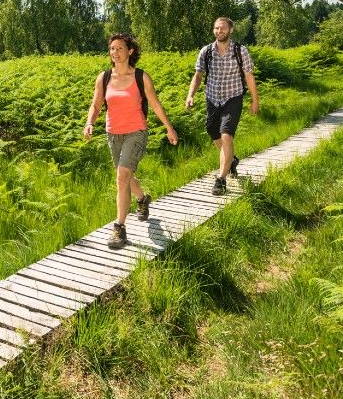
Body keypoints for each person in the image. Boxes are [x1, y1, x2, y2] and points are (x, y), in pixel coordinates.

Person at [84, 33, 178, 249]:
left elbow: (155, 104)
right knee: (124, 176)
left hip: (136, 132)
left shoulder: (141, 77)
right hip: (112, 133)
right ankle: (143, 199)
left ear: (130, 51)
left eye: (119, 48)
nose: (115, 53)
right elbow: (96, 105)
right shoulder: (104, 78)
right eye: (112, 49)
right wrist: (90, 122)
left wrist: (169, 128)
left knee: (121, 176)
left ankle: (119, 228)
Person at [186, 17, 259, 195]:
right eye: (217, 28)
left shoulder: (240, 51)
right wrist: (190, 95)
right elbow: (198, 75)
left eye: (223, 28)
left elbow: (249, 76)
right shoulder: (206, 52)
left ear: (231, 30)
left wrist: (255, 100)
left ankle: (221, 179)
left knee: (226, 135)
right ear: (214, 31)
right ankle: (231, 160)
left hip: (233, 98)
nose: (220, 31)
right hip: (212, 98)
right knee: (212, 131)